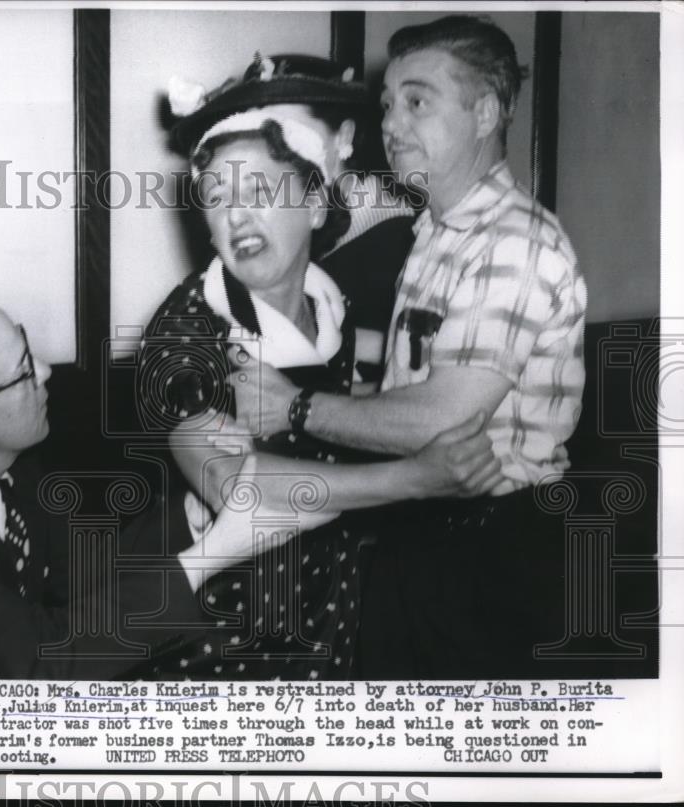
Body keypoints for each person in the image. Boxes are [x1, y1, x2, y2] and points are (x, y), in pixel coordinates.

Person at [228, 16, 588, 678]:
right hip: (426, 530)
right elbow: (408, 394)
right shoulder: (436, 231)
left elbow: (442, 417)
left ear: (485, 112)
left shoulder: (513, 243)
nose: (391, 123)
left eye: (417, 101)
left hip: (494, 550)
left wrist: (295, 409)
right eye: (389, 103)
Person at [134, 67, 501, 680]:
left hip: (331, 600)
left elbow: (338, 393)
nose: (236, 218)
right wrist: (412, 478)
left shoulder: (328, 301)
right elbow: (239, 489)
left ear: (312, 202)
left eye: (259, 192)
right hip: (220, 630)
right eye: (218, 198)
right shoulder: (185, 331)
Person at [0, 293, 321, 679]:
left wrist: (196, 513)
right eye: (22, 371)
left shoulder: (5, 468)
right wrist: (216, 552)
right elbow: (45, 660)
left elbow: (81, 575)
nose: (47, 371)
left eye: (28, 347)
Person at [170, 53, 417, 390]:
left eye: (290, 130)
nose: (272, 141)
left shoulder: (399, 235)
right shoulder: (258, 233)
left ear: (343, 138)